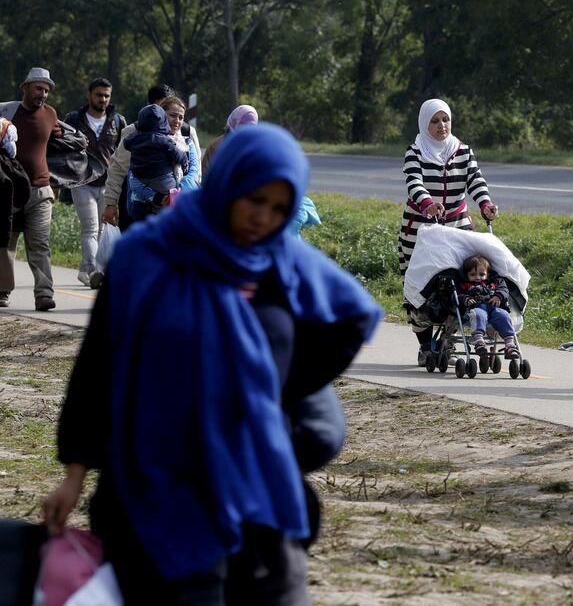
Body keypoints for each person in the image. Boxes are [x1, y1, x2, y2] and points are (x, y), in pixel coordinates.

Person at [42, 123, 383, 601]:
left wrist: (276, 394)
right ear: (228, 185)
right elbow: (99, 364)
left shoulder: (281, 264)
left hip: (255, 486)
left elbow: (349, 318)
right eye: (254, 199)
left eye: (279, 208)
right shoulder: (149, 256)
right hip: (158, 485)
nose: (263, 218)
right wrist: (74, 476)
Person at [398, 98, 498, 362]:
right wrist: (428, 203)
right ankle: (425, 347)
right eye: (434, 121)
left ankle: (449, 342)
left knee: (458, 284)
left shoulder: (463, 151)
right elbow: (414, 182)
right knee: (422, 288)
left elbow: (475, 180)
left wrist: (485, 203)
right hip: (421, 230)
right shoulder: (415, 152)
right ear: (424, 123)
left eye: (445, 119)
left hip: (457, 227)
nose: (441, 126)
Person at [0, 68, 61, 312]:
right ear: (25, 87)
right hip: (10, 190)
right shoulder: (6, 112)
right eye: (38, 88)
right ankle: (2, 291)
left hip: (40, 190)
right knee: (6, 244)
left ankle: (44, 294)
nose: (43, 94)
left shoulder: (51, 114)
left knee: (40, 244)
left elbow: (59, 139)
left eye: (46, 90)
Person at [102, 85, 201, 231]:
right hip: (142, 207)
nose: (176, 121)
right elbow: (118, 169)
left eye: (180, 116)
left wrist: (176, 194)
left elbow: (195, 170)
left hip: (178, 208)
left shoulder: (186, 133)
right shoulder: (135, 132)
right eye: (169, 113)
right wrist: (111, 203)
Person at [62, 78, 126, 289]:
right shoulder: (74, 119)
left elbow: (123, 153)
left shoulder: (117, 121)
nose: (103, 99)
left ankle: (85, 268)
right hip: (81, 180)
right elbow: (62, 146)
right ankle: (92, 272)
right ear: (89, 95)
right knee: (90, 227)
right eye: (99, 95)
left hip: (108, 183)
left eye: (107, 95)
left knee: (101, 229)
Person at [457, 254, 518, 359]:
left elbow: (503, 289)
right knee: (478, 314)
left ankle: (510, 344)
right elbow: (458, 295)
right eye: (473, 274)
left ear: (488, 274)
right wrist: (466, 299)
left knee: (504, 315)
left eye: (481, 274)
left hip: (495, 308)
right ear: (467, 275)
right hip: (476, 308)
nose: (477, 278)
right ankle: (479, 340)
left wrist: (498, 296)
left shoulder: (495, 282)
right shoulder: (465, 285)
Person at [202, 104, 259, 175]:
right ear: (235, 122)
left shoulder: (255, 148)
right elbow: (207, 177)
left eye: (251, 127)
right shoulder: (217, 147)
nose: (246, 130)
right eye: (243, 126)